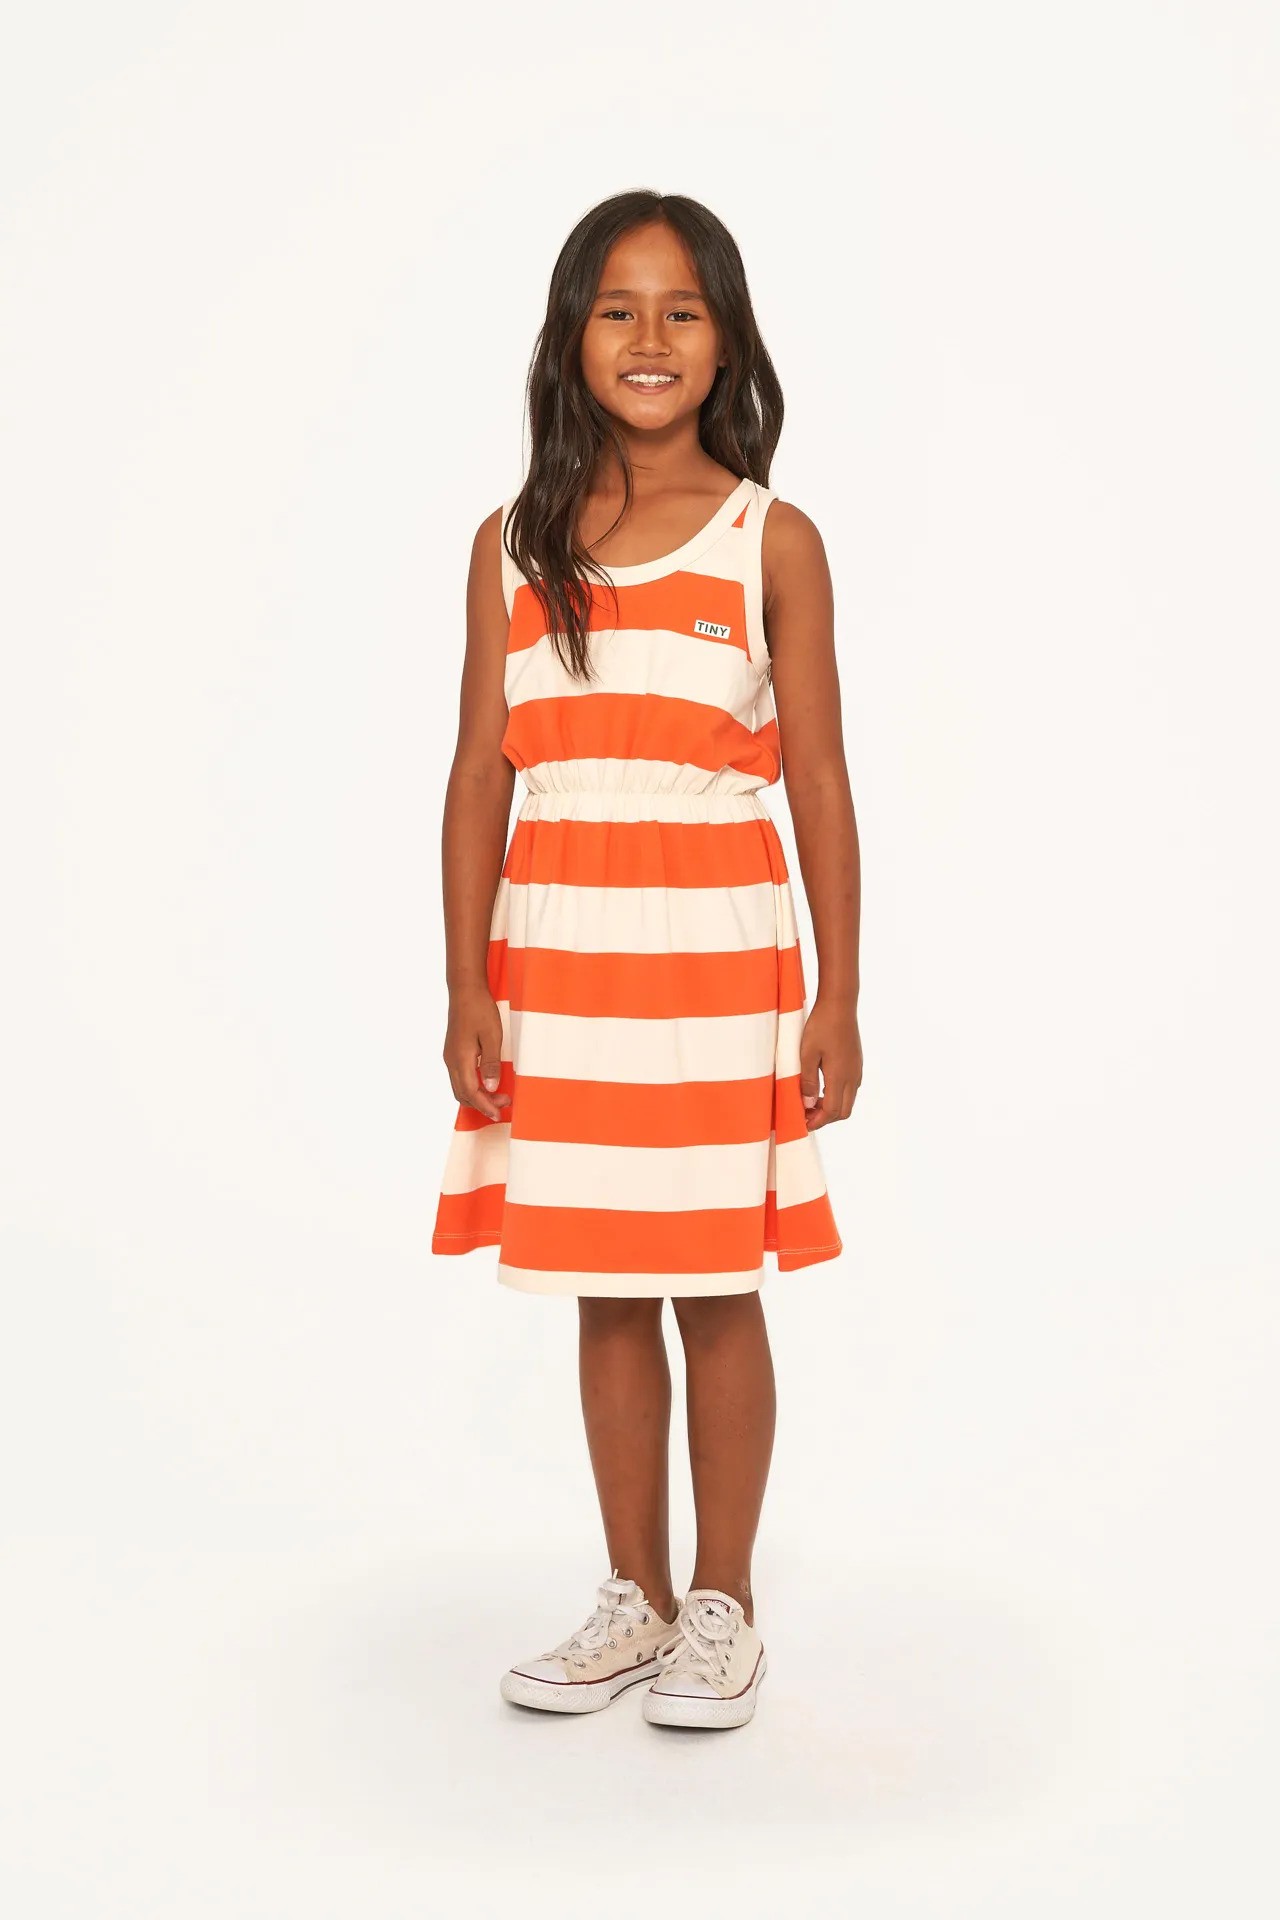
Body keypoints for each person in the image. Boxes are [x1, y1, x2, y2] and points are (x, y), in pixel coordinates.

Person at [431, 190, 863, 1731]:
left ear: (728, 340)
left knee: (712, 1285)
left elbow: (819, 779)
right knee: (604, 1290)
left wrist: (840, 994)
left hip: (715, 959)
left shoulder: (771, 539)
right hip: (559, 960)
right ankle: (637, 1596)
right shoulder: (511, 544)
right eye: (618, 308)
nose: (651, 337)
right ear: (571, 337)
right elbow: (479, 772)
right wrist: (465, 983)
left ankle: (723, 1604)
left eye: (684, 309)